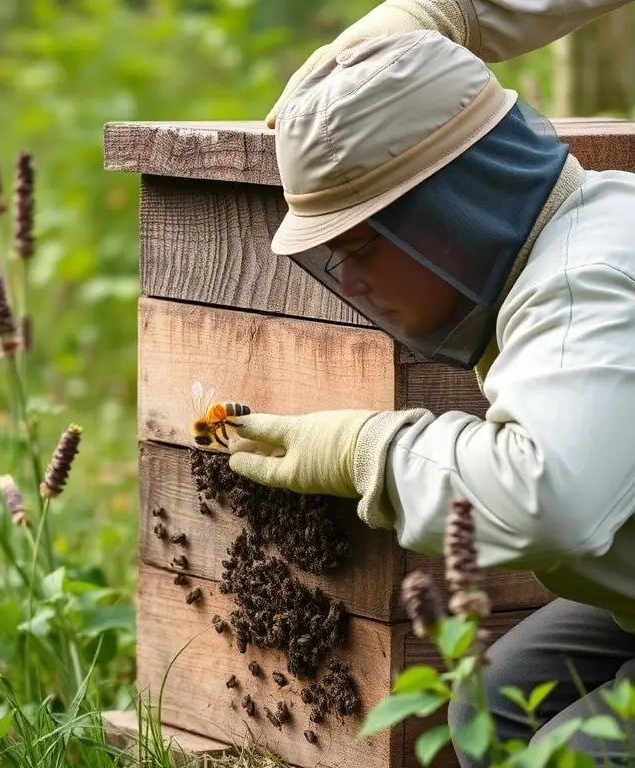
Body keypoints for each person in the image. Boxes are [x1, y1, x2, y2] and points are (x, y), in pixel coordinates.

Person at [224, 2, 635, 765]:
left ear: (453, 208)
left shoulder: (588, 278)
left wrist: (369, 452)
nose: (351, 283)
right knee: (492, 706)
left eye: (361, 249)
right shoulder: (559, 254)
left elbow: (550, 499)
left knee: (569, 755)